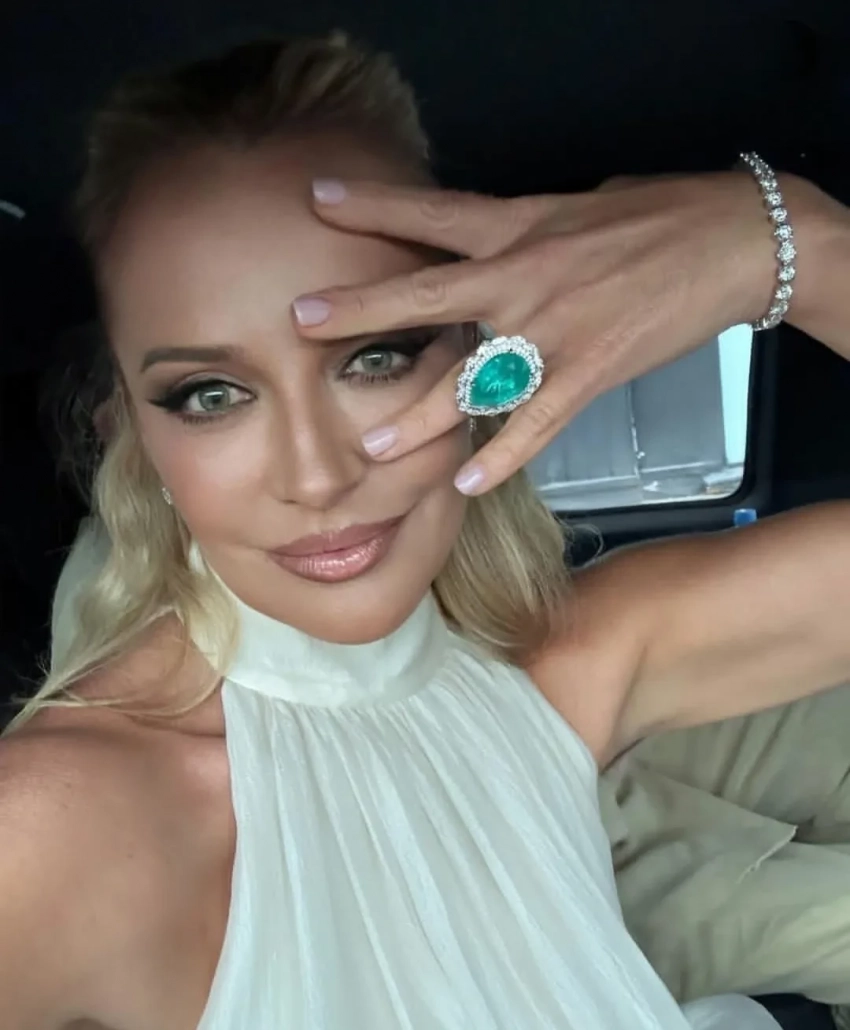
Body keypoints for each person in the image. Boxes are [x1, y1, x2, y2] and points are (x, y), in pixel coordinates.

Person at [1, 33, 848, 1030]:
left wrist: (797, 242)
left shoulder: (561, 673)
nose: (316, 474)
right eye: (211, 394)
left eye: (375, 358)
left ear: (474, 355)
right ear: (136, 431)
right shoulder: (55, 825)